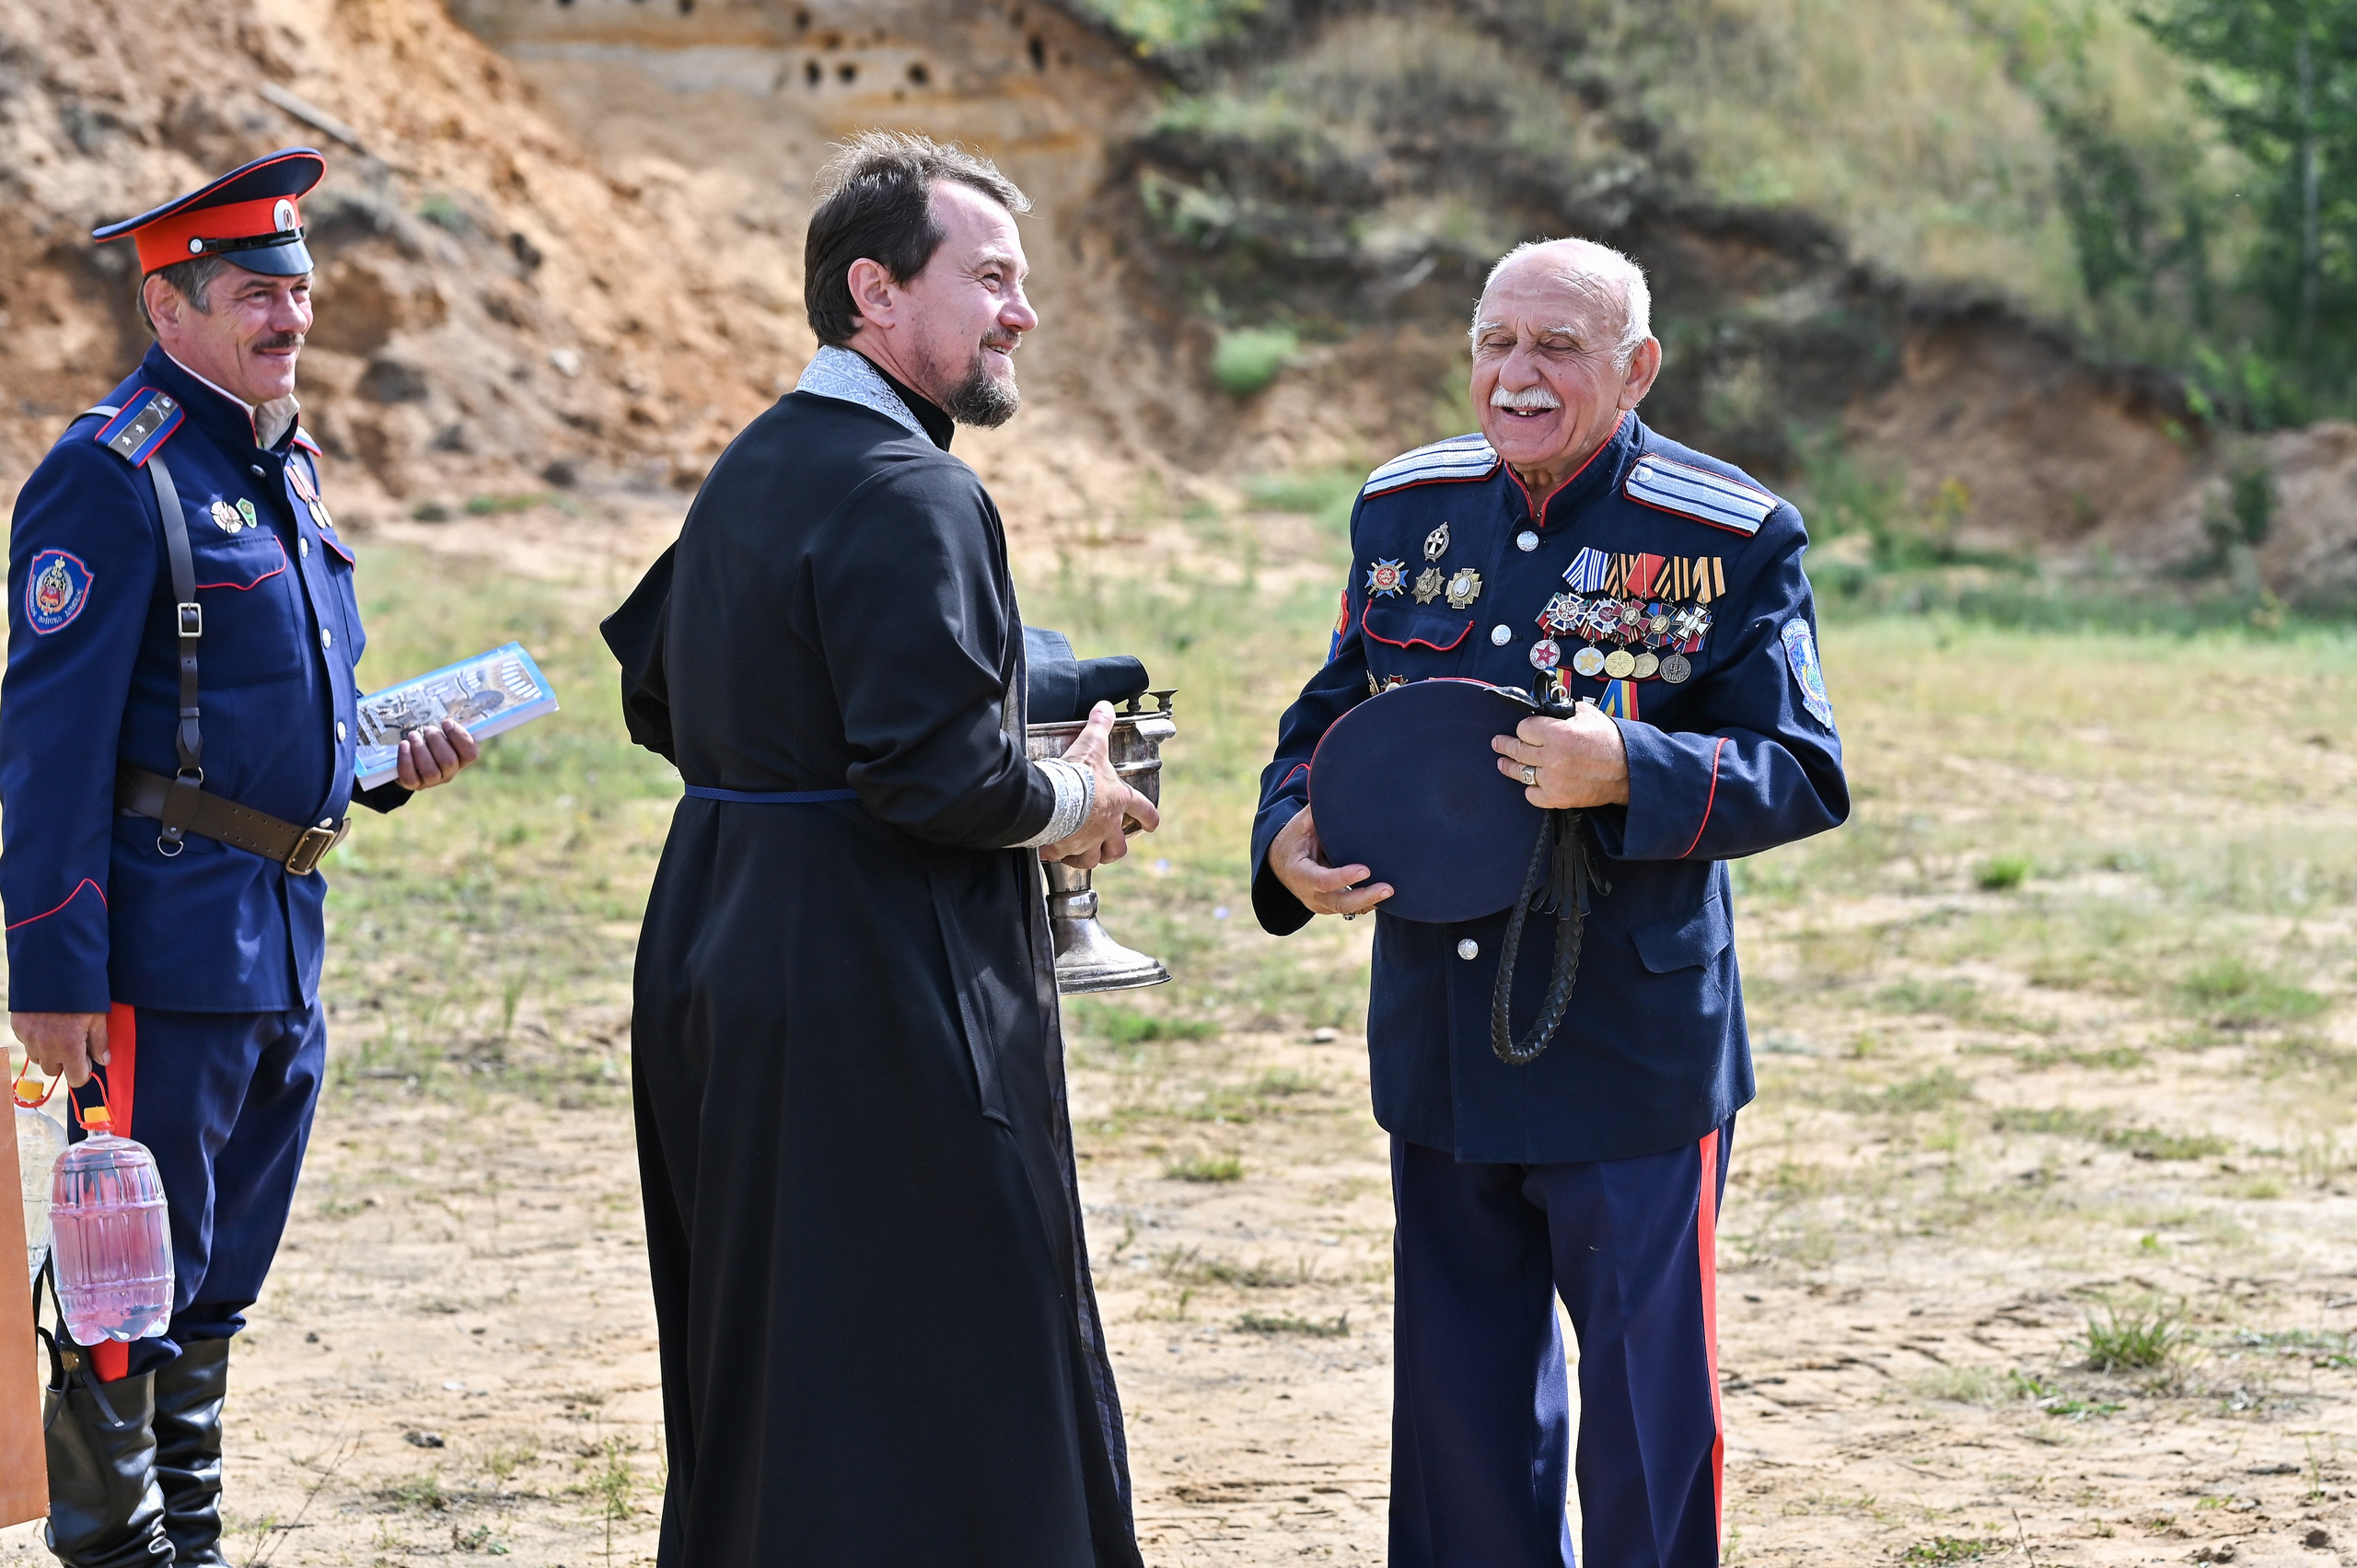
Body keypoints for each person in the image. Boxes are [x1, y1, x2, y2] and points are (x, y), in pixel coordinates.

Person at [1249, 238, 1851, 1568]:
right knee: (1457, 1412)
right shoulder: (1403, 508)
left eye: (1558, 348)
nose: (1516, 374)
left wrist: (1627, 765)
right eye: (1495, 343)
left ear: (1637, 370)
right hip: (1441, 1029)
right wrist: (1285, 832)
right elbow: (1331, 718)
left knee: (1646, 1412)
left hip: (1628, 1047)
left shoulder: (1729, 534)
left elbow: (1803, 770)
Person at [603, 131, 1154, 1568]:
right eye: (992, 278)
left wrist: (788, 770)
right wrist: (1076, 799)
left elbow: (658, 688)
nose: (1024, 312)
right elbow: (934, 776)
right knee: (940, 1343)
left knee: (780, 1342)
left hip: (721, 940)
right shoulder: (914, 489)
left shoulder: (755, 463)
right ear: (877, 291)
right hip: (874, 972)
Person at [0, 148, 478, 1566]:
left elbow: (269, 708)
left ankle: (190, 1539)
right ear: (170, 308)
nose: (292, 316)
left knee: (219, 1272)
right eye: (257, 294)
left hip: (281, 932)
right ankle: (115, 1545)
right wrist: (53, 976)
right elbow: (48, 750)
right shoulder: (113, 475)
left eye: (300, 288)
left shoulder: (284, 459)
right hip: (162, 945)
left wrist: (384, 768)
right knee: (127, 1272)